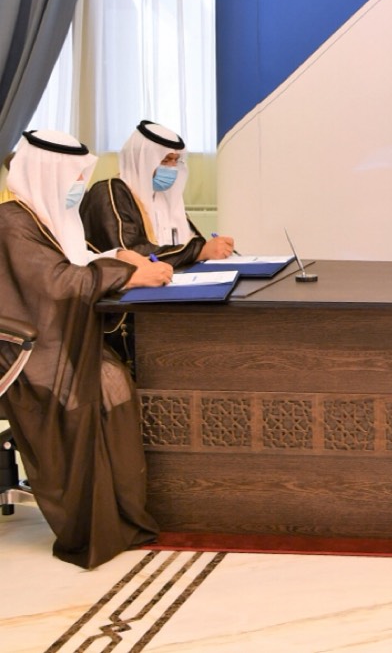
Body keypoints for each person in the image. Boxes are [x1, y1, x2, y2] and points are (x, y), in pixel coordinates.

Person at [0, 129, 171, 568]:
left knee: (113, 381)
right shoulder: (12, 221)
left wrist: (119, 258)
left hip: (56, 338)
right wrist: (129, 276)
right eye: (74, 175)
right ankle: (89, 523)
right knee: (100, 384)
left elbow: (77, 262)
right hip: (23, 351)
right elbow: (59, 282)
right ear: (47, 173)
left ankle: (122, 514)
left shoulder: (49, 215)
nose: (80, 183)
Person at [81, 120, 234, 268]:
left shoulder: (164, 196)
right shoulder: (109, 192)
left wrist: (211, 248)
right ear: (142, 161)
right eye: (166, 160)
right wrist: (198, 252)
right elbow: (130, 254)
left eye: (176, 161)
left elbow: (188, 241)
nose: (172, 168)